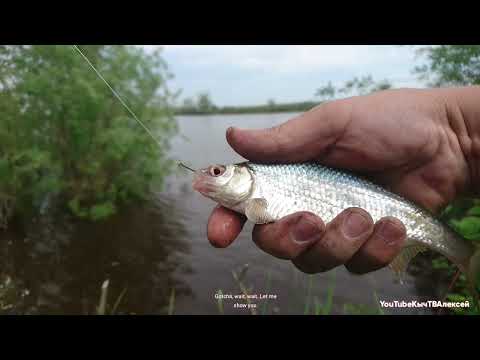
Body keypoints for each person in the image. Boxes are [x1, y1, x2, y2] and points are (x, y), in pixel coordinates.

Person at [206, 86, 479, 274]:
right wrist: (455, 138)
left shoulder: (262, 178)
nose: (210, 175)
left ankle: (467, 254)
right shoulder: (257, 194)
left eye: (218, 172)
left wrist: (455, 136)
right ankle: (465, 254)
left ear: (246, 175)